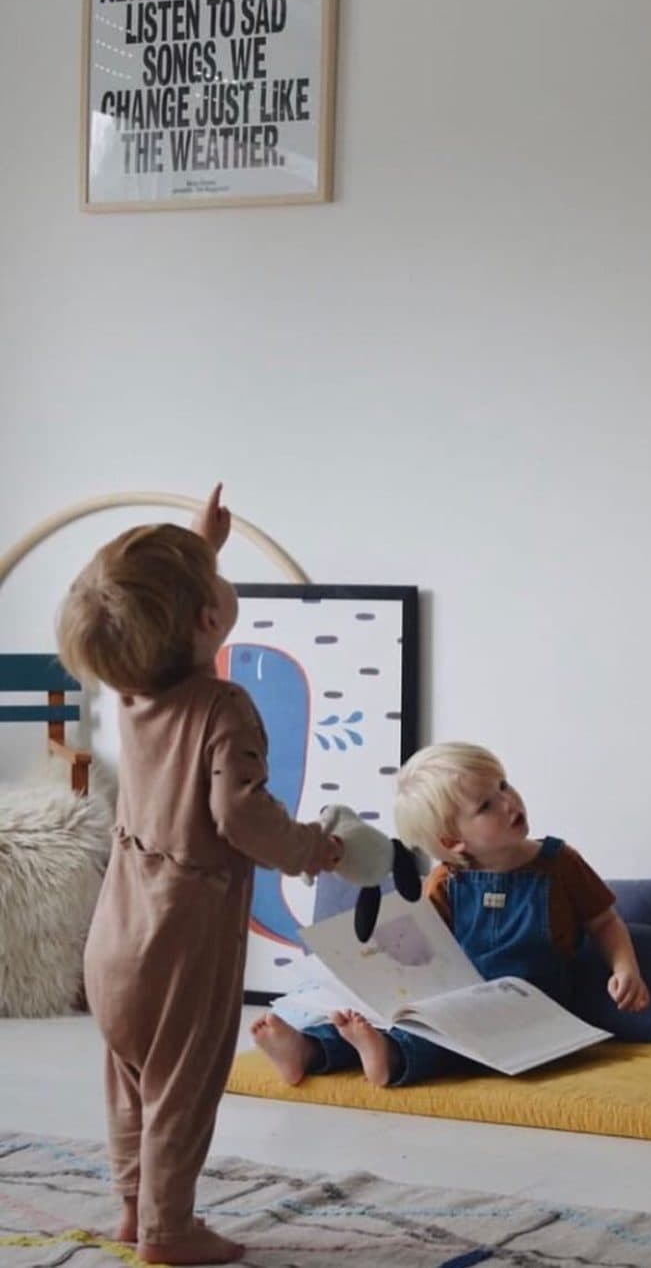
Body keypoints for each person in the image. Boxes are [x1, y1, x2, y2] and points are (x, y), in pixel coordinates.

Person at [56, 485, 344, 1266]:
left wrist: (198, 548)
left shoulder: (132, 688)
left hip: (116, 930)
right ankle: (169, 1230)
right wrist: (311, 849)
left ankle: (131, 1206)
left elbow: (146, 620)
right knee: (182, 1084)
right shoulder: (225, 706)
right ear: (208, 619)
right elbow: (241, 815)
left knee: (130, 1073)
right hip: (184, 932)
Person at [250, 742, 651, 1089]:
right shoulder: (447, 880)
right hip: (462, 999)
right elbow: (427, 946)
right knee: (400, 1020)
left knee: (445, 1043)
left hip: (533, 1007)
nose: (508, 802)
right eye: (486, 805)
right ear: (453, 842)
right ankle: (308, 1048)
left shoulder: (560, 863)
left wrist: (626, 969)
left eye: (503, 786)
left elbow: (605, 922)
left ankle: (389, 1058)